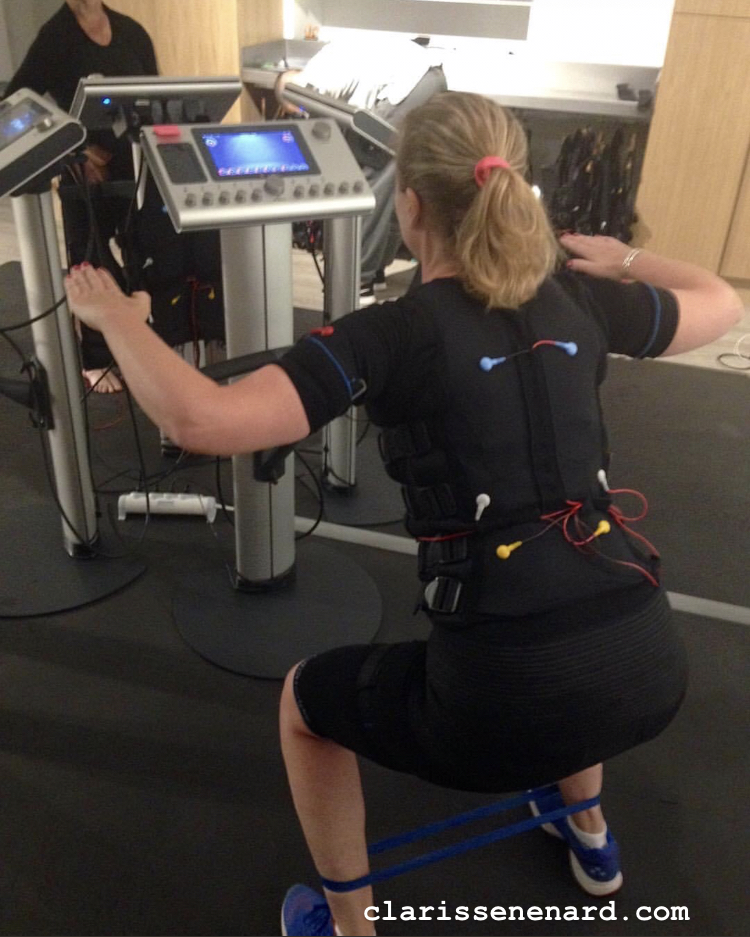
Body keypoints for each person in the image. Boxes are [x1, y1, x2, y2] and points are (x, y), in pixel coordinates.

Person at [64, 91, 743, 937]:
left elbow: (198, 419)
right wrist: (626, 257)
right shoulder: (583, 299)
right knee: (571, 579)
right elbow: (723, 302)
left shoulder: (391, 334)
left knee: (304, 704)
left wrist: (117, 320)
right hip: (649, 663)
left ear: (411, 205)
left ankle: (351, 922)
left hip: (496, 702)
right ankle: (592, 835)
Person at [4, 0, 158, 392]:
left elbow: (155, 95)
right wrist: (77, 147)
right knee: (90, 258)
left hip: (134, 162)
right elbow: (18, 101)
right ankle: (97, 357)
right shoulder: (54, 38)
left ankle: (144, 339)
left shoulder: (132, 32)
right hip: (82, 170)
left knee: (145, 251)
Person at [275, 36, 446, 298]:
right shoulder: (333, 61)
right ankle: (376, 270)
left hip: (410, 85)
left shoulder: (316, 76)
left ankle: (359, 278)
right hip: (432, 77)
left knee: (371, 176)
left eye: (297, 107)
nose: (300, 111)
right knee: (395, 177)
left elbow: (326, 133)